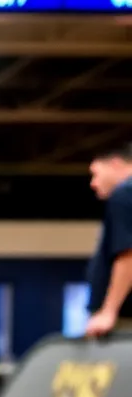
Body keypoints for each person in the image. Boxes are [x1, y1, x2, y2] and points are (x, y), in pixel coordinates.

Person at [85, 143, 132, 337]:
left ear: (115, 164)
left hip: (125, 320)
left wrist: (109, 311)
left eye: (95, 174)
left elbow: (128, 253)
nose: (93, 183)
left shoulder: (125, 193)